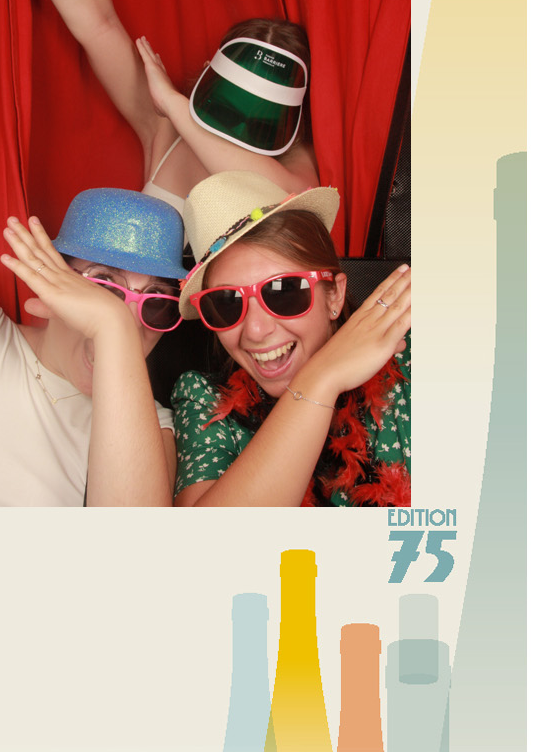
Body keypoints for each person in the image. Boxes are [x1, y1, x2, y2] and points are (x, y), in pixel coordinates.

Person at [0, 0, 319, 215]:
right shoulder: (165, 130)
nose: (239, 130)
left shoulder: (294, 164)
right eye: (227, 109)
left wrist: (172, 104)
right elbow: (97, 24)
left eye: (260, 124)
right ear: (208, 76)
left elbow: (283, 198)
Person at [170, 173, 411, 506]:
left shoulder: (411, 368)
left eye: (283, 292)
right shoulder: (202, 400)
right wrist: (320, 379)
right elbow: (205, 539)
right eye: (226, 303)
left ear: (334, 295)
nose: (255, 330)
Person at [0, 188, 184, 507]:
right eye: (105, 288)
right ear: (52, 279)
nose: (133, 324)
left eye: (156, 303)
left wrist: (112, 325)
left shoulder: (154, 425)